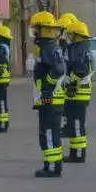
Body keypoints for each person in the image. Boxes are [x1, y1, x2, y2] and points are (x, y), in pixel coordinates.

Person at [30, 11, 67, 178]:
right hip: (50, 99)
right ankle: (52, 164)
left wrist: (46, 89)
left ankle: (52, 167)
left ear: (44, 30)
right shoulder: (50, 48)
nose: (35, 33)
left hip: (50, 99)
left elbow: (58, 70)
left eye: (37, 29)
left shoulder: (48, 49)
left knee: (49, 134)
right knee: (50, 133)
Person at [64, 18, 93, 164]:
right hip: (81, 93)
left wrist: (71, 84)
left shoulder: (78, 49)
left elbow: (81, 69)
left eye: (71, 35)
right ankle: (75, 153)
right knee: (76, 124)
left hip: (78, 93)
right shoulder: (84, 48)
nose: (68, 38)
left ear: (77, 35)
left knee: (76, 125)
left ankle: (78, 154)